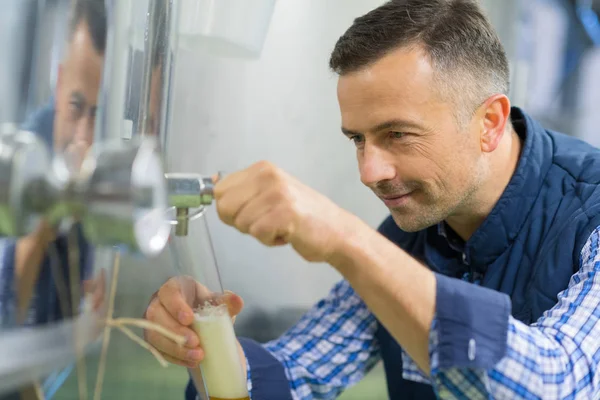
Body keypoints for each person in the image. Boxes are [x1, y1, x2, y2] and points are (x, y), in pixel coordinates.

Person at [144, 0, 600, 398]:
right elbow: (294, 377)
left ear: (490, 122)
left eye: (398, 134)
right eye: (358, 139)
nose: (369, 172)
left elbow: (558, 386)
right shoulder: (413, 237)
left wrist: (346, 239)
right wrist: (206, 341)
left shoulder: (591, 213)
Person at [0, 0, 106, 398]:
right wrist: (36, 236)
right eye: (77, 107)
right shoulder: (23, 169)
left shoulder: (113, 166)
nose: (84, 136)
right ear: (59, 84)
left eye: (101, 113)